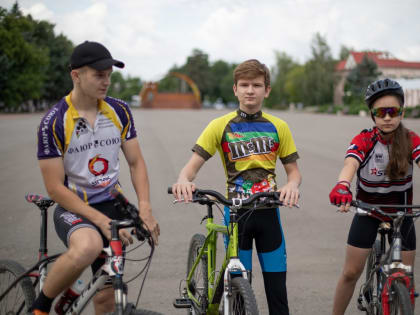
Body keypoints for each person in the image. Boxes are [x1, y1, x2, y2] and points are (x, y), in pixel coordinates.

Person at [31, 41, 160, 315]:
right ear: (76, 75)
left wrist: (145, 208)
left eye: (109, 75)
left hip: (112, 204)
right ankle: (40, 307)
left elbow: (136, 163)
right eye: (99, 75)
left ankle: (74, 294)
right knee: (88, 247)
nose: (107, 81)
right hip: (74, 207)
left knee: (106, 299)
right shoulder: (54, 121)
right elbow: (54, 187)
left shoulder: (119, 110)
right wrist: (101, 221)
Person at [172, 59, 302, 315]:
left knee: (278, 296)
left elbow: (293, 172)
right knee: (240, 294)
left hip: (269, 215)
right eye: (244, 85)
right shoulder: (219, 125)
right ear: (235, 89)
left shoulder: (279, 127)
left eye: (256, 85)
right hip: (236, 214)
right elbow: (190, 168)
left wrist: (292, 186)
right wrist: (183, 181)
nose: (250, 90)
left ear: (267, 90)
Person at [329, 78, 420, 315]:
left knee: (406, 278)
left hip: (402, 214)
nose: (387, 117)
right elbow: (350, 164)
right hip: (368, 211)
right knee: (351, 273)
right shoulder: (365, 140)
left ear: (401, 112)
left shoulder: (411, 140)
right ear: (372, 115)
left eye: (393, 111)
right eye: (381, 112)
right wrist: (342, 185)